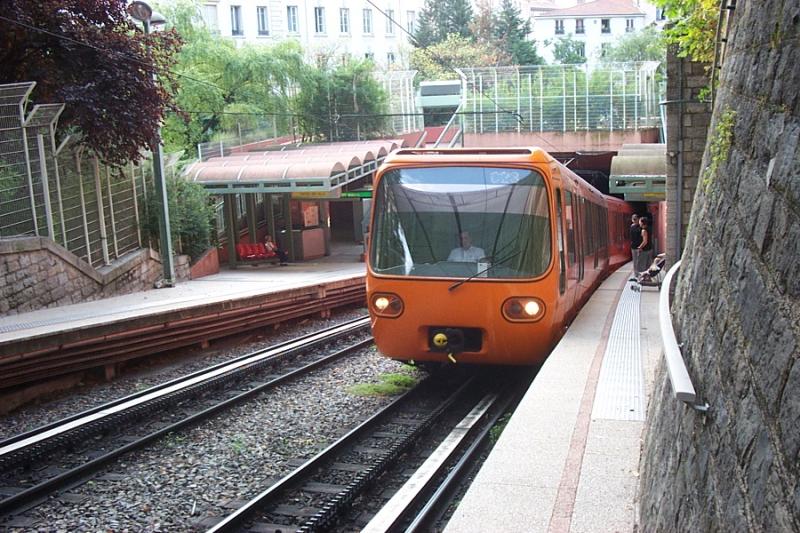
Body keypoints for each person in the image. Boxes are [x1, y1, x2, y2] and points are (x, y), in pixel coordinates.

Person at [629, 214, 641, 280]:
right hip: (637, 246)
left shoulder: (633, 227)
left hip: (635, 246)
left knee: (636, 261)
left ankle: (637, 273)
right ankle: (637, 273)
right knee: (637, 261)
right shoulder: (637, 227)